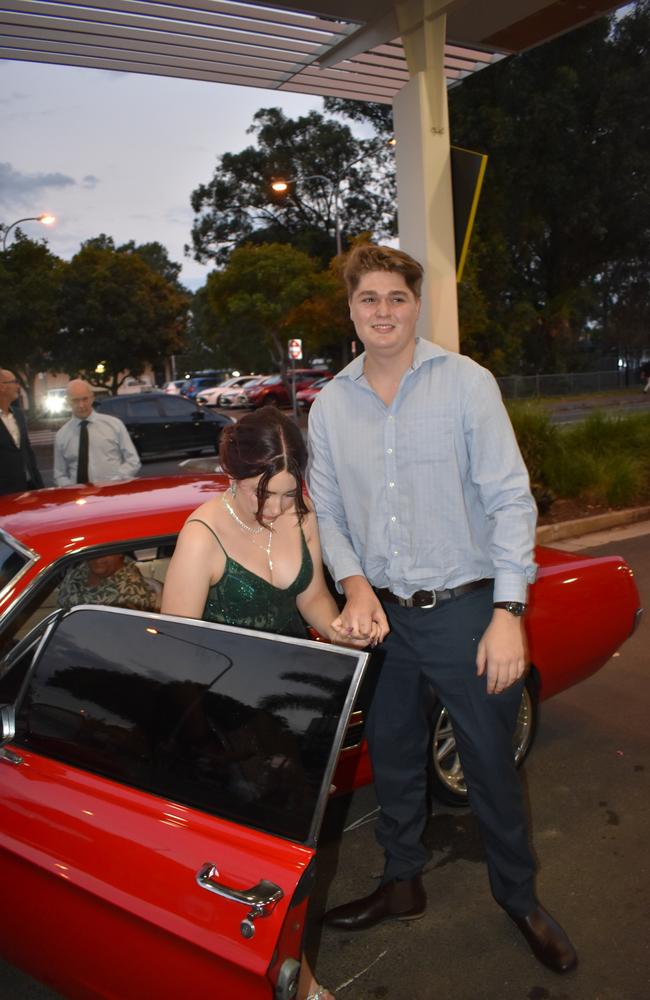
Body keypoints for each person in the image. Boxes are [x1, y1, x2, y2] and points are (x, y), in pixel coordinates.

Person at [306, 243, 577, 975]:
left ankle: (518, 899)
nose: (384, 312)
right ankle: (402, 883)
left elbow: (509, 498)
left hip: (466, 610)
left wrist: (507, 611)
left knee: (490, 762)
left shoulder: (465, 384)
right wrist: (353, 584)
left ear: (415, 304)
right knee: (393, 758)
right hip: (382, 619)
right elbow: (327, 509)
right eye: (370, 299)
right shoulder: (331, 404)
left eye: (397, 297)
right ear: (352, 309)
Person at [162, 406, 375, 1000]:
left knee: (295, 860)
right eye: (268, 495)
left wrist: (343, 630)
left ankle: (279, 975)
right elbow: (177, 654)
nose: (282, 508)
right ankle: (297, 984)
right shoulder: (202, 533)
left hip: (292, 716)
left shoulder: (300, 517)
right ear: (233, 474)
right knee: (262, 874)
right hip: (225, 727)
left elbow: (311, 602)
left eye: (290, 493)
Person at [53, 378, 141, 485]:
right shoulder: (61, 436)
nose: (81, 405)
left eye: (85, 399)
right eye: (75, 400)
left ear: (92, 398)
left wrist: (116, 480)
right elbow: (59, 474)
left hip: (112, 493)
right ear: (67, 401)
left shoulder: (114, 425)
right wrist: (72, 489)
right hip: (78, 497)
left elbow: (133, 460)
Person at [58, 553, 159, 612]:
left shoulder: (132, 591)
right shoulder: (77, 570)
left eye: (105, 552)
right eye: (94, 550)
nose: (98, 557)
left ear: (120, 553)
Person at [0, 368, 43, 496]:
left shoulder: (19, 415)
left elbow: (27, 451)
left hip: (30, 488)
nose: (18, 386)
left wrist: (39, 485)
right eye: (14, 382)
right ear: (2, 387)